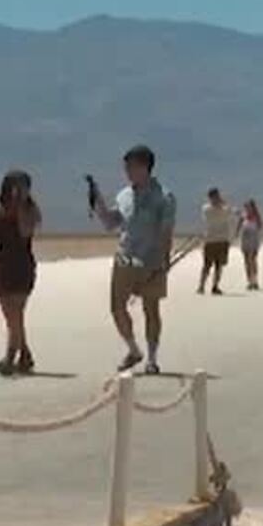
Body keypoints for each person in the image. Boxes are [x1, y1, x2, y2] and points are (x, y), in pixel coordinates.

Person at [89, 144, 177, 374]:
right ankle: (133, 350)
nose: (127, 171)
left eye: (131, 167)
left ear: (145, 167)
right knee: (117, 307)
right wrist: (98, 203)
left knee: (151, 309)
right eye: (126, 167)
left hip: (151, 260)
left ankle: (152, 358)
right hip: (125, 257)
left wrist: (164, 261)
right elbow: (111, 223)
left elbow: (166, 231)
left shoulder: (164, 197)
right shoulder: (124, 195)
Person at [0, 169, 41, 375]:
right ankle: (25, 354)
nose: (18, 190)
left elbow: (25, 232)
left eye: (23, 187)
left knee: (16, 313)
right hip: (3, 265)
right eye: (15, 186)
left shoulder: (32, 211)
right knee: (11, 315)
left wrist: (20, 207)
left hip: (22, 265)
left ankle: (10, 357)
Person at [198, 187, 234, 295]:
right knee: (207, 265)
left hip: (221, 239)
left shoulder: (219, 209)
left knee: (219, 265)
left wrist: (222, 205)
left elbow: (230, 213)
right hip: (211, 240)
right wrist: (223, 203)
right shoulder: (207, 209)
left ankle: (214, 286)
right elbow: (229, 211)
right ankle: (202, 285)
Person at [238, 198, 263, 291]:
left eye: (249, 207)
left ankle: (255, 280)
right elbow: (239, 226)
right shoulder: (243, 216)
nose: (247, 208)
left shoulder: (257, 216)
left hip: (253, 239)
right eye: (246, 207)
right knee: (246, 261)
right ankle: (249, 281)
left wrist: (253, 228)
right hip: (245, 239)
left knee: (252, 259)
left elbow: (260, 226)